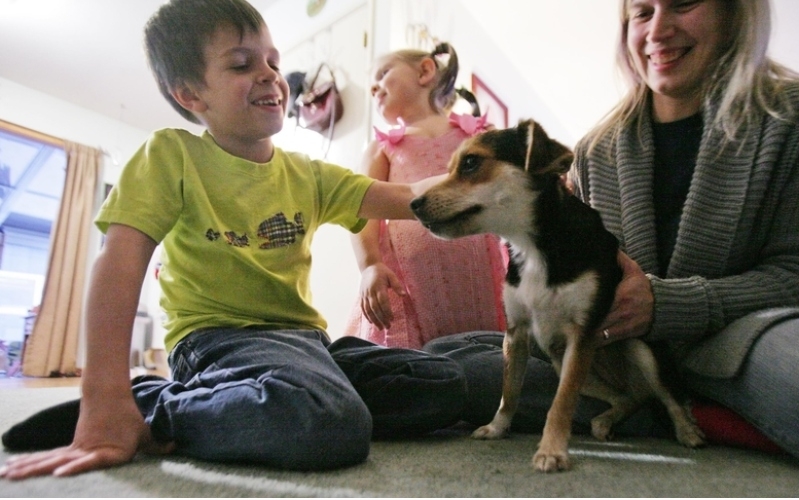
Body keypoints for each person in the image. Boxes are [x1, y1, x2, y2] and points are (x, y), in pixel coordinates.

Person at [0, 0, 468, 480]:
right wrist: (104, 397)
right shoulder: (171, 155)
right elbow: (119, 261)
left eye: (273, 62)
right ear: (190, 94)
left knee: (446, 385)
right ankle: (150, 408)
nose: (270, 75)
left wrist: (493, 172)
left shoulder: (308, 174)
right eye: (243, 64)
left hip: (308, 343)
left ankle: (237, 403)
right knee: (329, 422)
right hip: (216, 341)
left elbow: (410, 194)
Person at [424, 0, 799, 459]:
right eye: (642, 13)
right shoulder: (596, 150)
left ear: (735, 14)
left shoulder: (788, 121)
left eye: (683, 4)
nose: (658, 30)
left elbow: (793, 274)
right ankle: (659, 408)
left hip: (737, 340)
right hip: (613, 353)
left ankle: (681, 409)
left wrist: (666, 304)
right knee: (448, 357)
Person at [343, 42, 507, 349]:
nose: (374, 88)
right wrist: (370, 265)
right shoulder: (383, 147)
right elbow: (362, 208)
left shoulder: (477, 135)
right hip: (410, 285)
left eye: (383, 73)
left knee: (487, 355)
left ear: (425, 71)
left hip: (482, 277)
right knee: (417, 369)